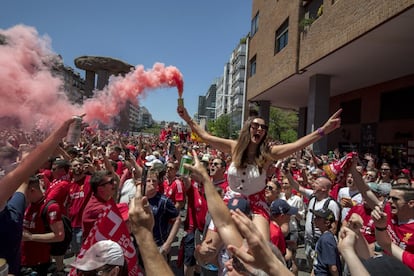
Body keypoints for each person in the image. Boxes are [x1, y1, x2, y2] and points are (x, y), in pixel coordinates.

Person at [178, 104, 341, 240]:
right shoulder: (234, 147)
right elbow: (205, 136)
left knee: (261, 246)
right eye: (255, 126)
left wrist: (323, 131)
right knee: (209, 249)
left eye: (263, 127)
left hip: (257, 206)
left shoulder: (269, 153)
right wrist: (187, 118)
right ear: (248, 128)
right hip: (230, 201)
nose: (259, 129)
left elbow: (297, 144)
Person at [185, 150, 292, 276]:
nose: (231, 219)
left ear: (248, 217)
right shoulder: (220, 233)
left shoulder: (263, 237)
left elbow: (275, 265)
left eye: (237, 216)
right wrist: (201, 253)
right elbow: (210, 262)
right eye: (229, 214)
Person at [0, 118, 74, 275]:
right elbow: (23, 175)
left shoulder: (17, 206)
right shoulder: (17, 205)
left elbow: (23, 176)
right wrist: (58, 134)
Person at [21, 176, 66, 276]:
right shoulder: (30, 205)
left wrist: (31, 237)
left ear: (32, 190)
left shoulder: (50, 207)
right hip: (24, 260)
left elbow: (59, 235)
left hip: (39, 262)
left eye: (22, 192)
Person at [128, 181, 174, 276]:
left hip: (158, 245)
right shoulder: (138, 201)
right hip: (140, 245)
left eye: (154, 181)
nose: (151, 183)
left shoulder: (164, 201)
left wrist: (168, 243)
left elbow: (177, 219)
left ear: (158, 184)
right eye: (148, 181)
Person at [82, 170, 118, 241]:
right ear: (100, 189)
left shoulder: (104, 199)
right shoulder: (99, 209)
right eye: (111, 182)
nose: (115, 183)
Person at [310, 208, 342, 276]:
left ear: (327, 223)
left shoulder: (327, 239)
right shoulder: (323, 237)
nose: (315, 219)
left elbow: (333, 268)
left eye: (318, 218)